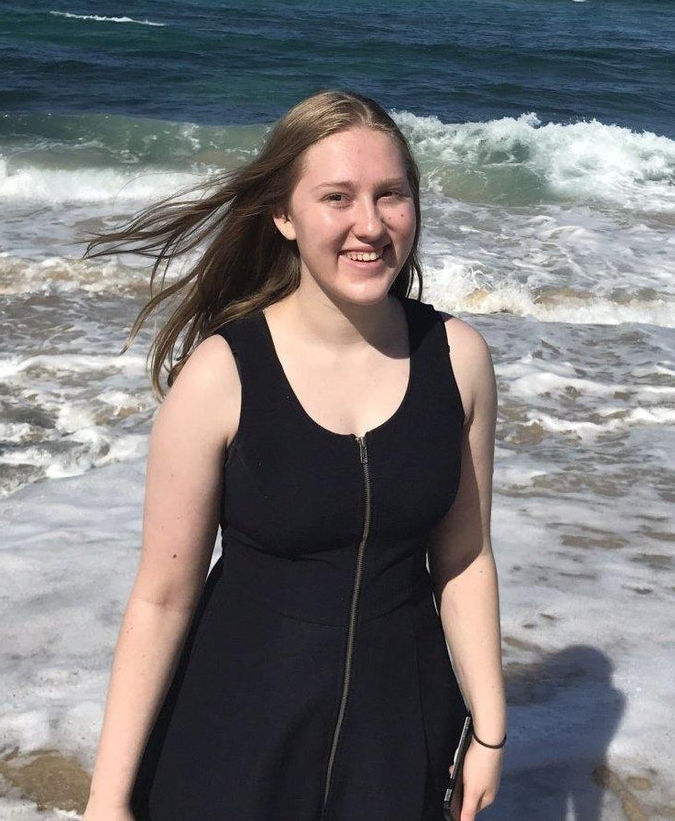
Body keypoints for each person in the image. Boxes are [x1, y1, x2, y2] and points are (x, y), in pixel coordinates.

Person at [79, 90, 505, 821]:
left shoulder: (457, 360)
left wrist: (490, 731)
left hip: (398, 734)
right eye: (337, 197)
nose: (370, 225)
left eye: (391, 194)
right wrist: (108, 798)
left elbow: (464, 560)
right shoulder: (222, 374)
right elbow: (162, 596)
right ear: (283, 215)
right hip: (236, 734)